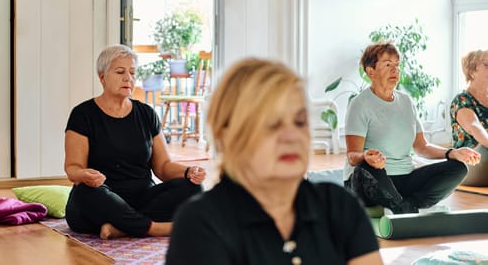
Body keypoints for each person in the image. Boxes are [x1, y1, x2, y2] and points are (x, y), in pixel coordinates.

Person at [166, 58, 382, 265]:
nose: (291, 136)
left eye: (299, 122)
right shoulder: (201, 224)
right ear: (227, 135)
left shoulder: (339, 207)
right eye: (272, 123)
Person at [64, 44, 205, 239]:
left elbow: (163, 167)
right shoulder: (83, 114)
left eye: (132, 72)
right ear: (102, 77)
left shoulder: (147, 113)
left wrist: (188, 172)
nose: (128, 78)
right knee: (85, 193)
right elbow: (73, 168)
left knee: (193, 188)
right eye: (120, 72)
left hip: (142, 199)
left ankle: (122, 227)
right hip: (102, 198)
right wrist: (84, 174)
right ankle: (156, 228)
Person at [344, 42, 480, 214]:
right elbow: (352, 156)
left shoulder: (406, 102)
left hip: (403, 179)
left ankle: (406, 205)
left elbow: (421, 146)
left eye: (397, 65)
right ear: (370, 71)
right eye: (387, 64)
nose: (395, 70)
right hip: (370, 181)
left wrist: (452, 153)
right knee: (364, 168)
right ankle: (403, 208)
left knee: (458, 168)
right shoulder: (359, 104)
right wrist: (365, 156)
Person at [450, 49, 488, 186]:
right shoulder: (462, 100)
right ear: (472, 71)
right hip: (470, 163)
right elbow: (474, 127)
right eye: (486, 65)